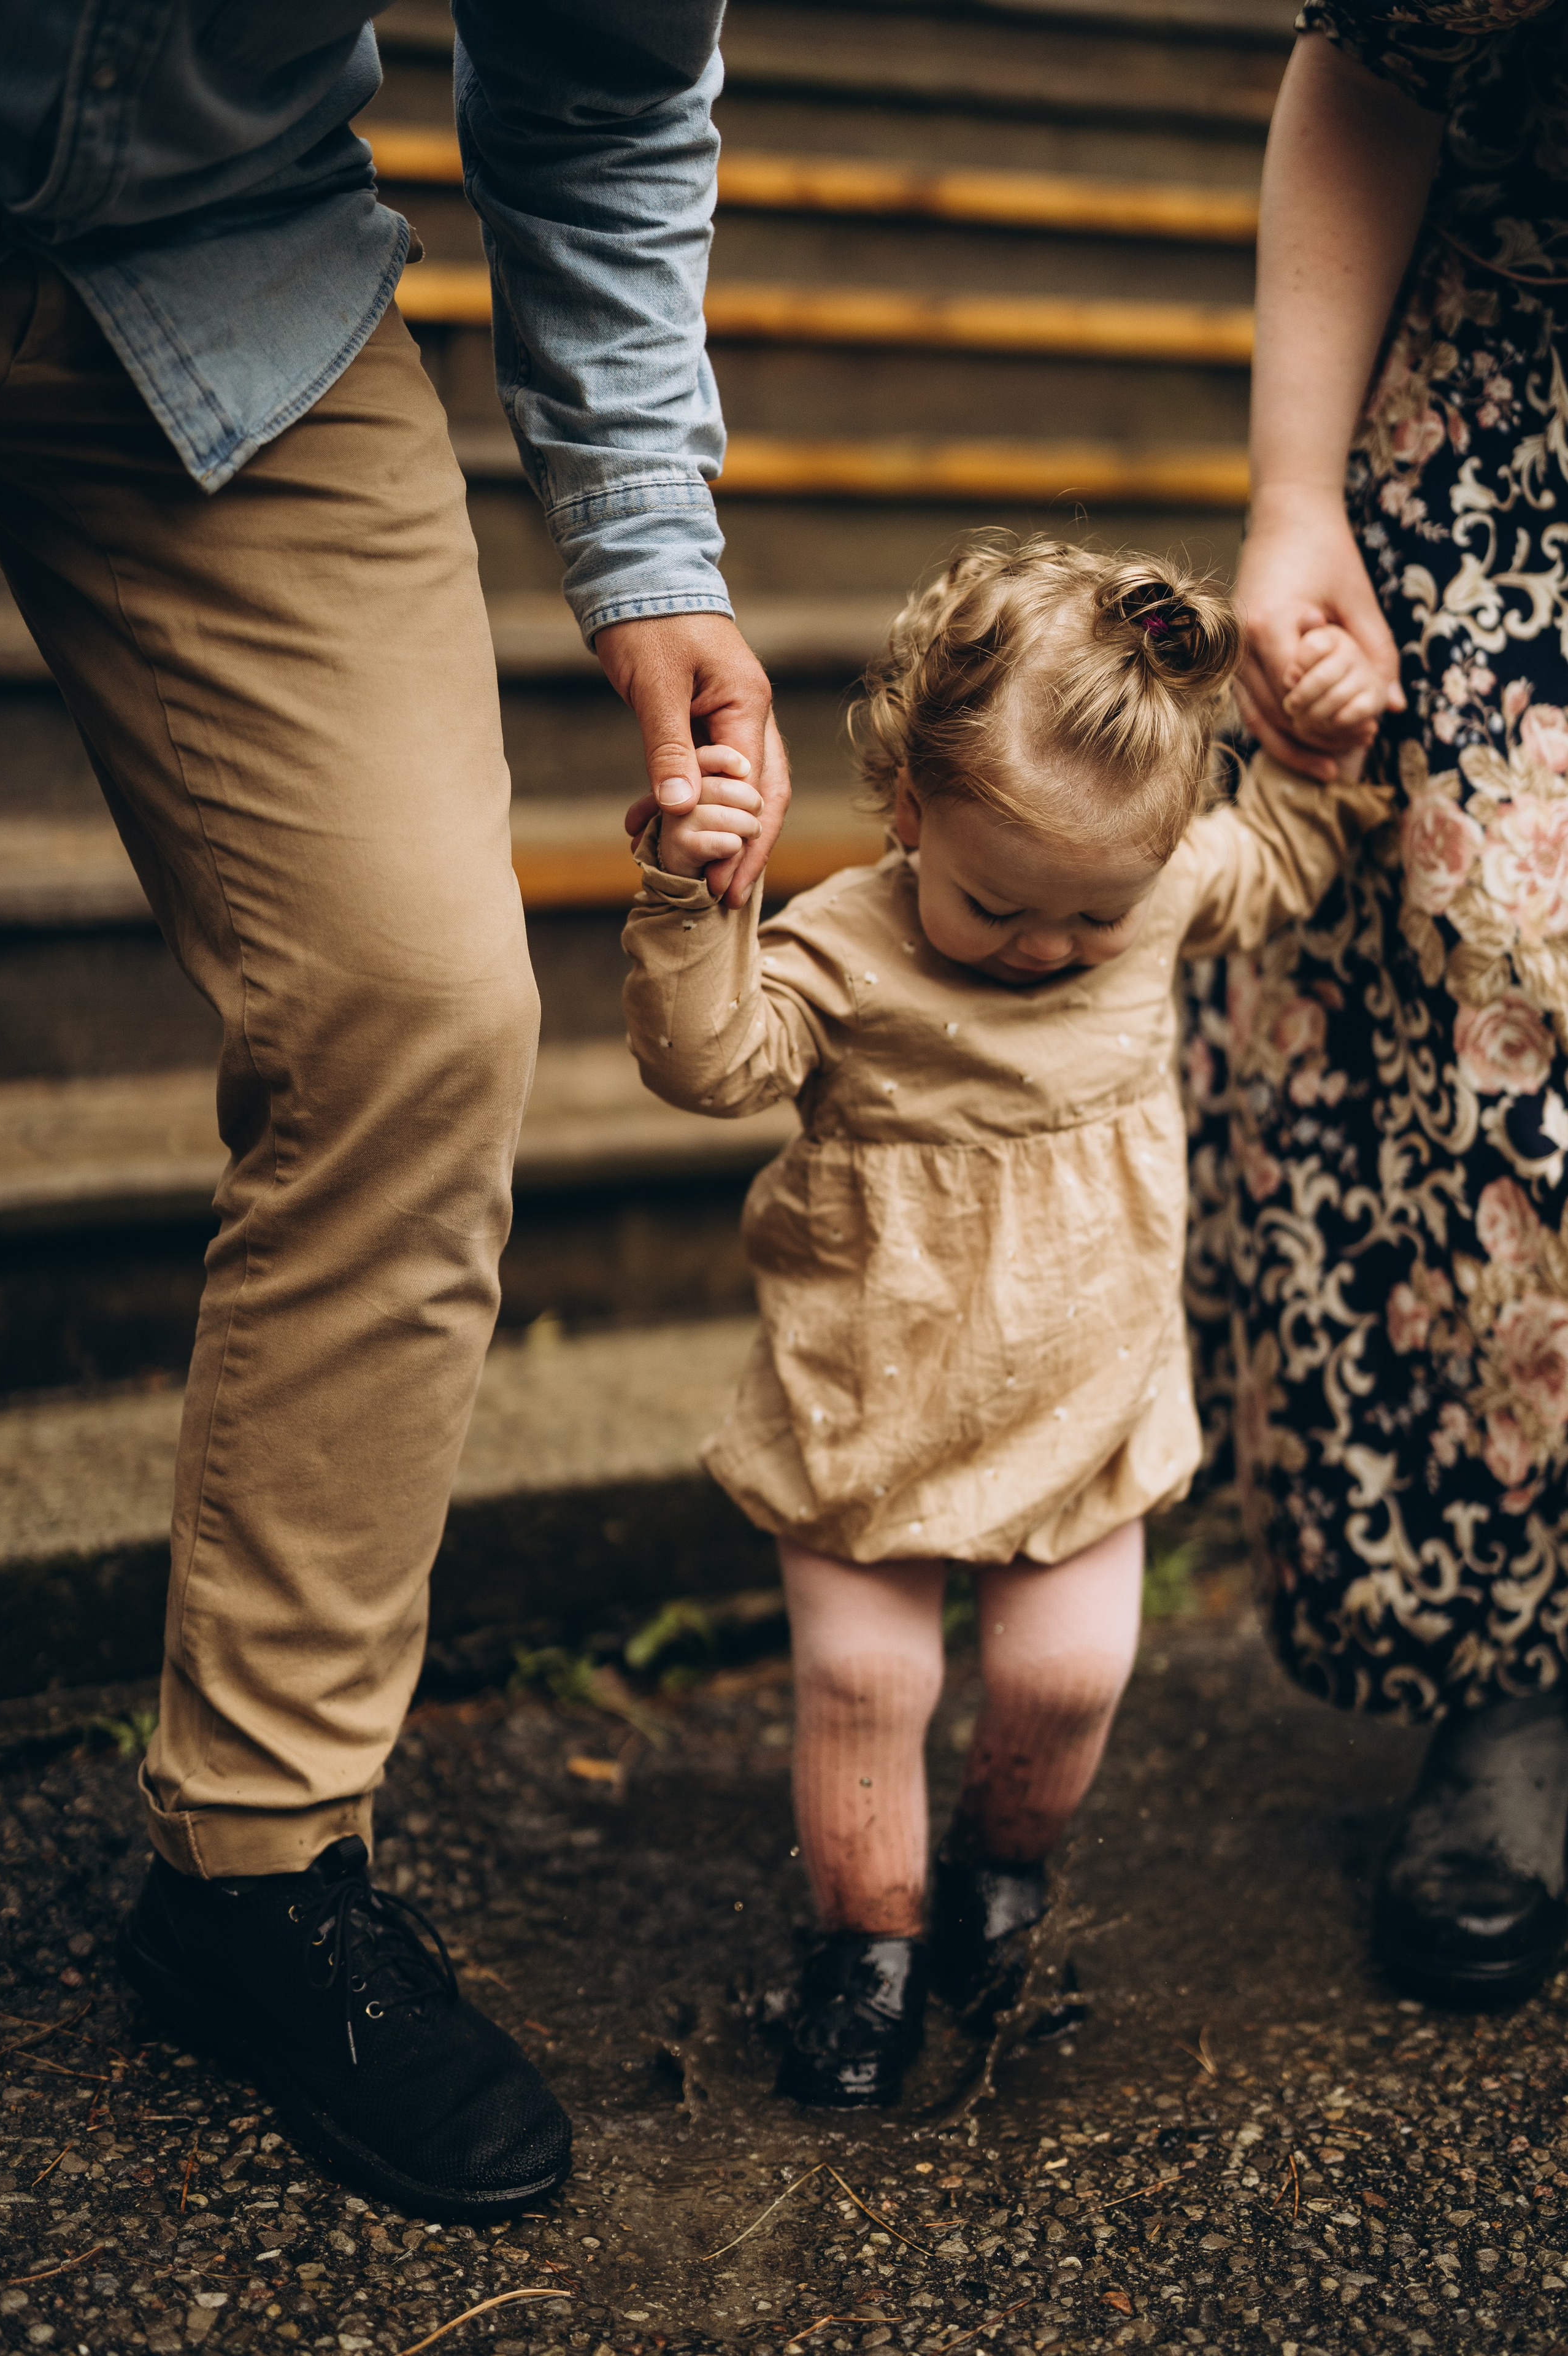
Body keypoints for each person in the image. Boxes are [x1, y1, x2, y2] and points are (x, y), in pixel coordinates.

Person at [0, 2, 790, 2219]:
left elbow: (613, 80)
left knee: (421, 1006)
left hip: (235, 282)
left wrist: (652, 548)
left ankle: (256, 1872)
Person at [620, 536, 1387, 2105]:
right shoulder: (841, 946)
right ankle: (868, 1951)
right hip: (872, 1400)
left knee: (1067, 1678)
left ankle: (998, 1871)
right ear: (906, 810)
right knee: (869, 1688)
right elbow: (709, 1065)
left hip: (1080, 1393)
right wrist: (697, 899)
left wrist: (1315, 743)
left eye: (1086, 921)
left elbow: (1288, 852)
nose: (1043, 947)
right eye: (996, 905)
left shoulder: (1166, 882)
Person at [1185, 0, 1568, 2010]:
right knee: (1499, 1024)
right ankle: (1516, 1680)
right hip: (1518, 415)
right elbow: (1379, 65)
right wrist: (1289, 491)